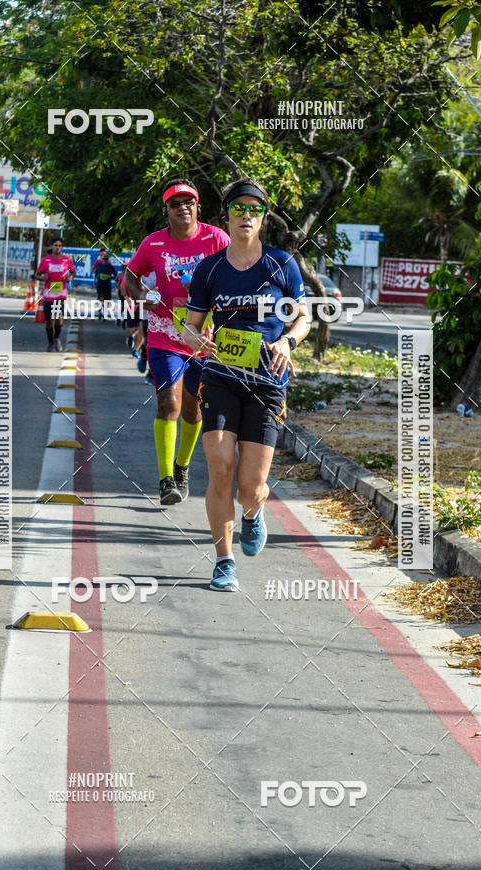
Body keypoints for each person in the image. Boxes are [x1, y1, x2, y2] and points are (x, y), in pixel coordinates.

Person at [184, 177, 311, 591]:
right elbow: (191, 326)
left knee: (250, 487)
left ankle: (254, 515)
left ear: (264, 217)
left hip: (269, 381)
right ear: (226, 215)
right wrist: (196, 338)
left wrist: (287, 342)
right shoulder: (210, 268)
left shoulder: (282, 264)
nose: (246, 215)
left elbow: (304, 317)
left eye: (254, 209)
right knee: (220, 469)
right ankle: (224, 562)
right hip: (220, 376)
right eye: (238, 208)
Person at [125, 178, 230, 505]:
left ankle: (182, 467)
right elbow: (129, 278)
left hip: (206, 337)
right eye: (175, 203)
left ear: (198, 207)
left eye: (189, 202)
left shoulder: (216, 238)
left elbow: (238, 268)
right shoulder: (153, 244)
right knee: (169, 401)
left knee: (193, 408)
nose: (183, 208)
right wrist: (144, 296)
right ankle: (166, 479)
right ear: (166, 210)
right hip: (164, 333)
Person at [36, 238, 76, 351]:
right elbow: (37, 274)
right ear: (52, 246)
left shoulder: (67, 260)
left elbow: (73, 271)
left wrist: (71, 277)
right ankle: (50, 343)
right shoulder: (45, 261)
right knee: (49, 321)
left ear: (62, 247)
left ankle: (57, 338)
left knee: (58, 316)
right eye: (55, 245)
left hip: (61, 293)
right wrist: (42, 278)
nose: (57, 247)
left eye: (59, 245)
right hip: (49, 293)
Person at [93, 250, 117, 315]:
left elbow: (115, 275)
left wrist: (111, 278)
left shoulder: (111, 266)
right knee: (100, 297)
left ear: (108, 259)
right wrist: (96, 278)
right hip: (100, 284)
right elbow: (96, 272)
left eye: (106, 259)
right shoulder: (99, 265)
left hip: (107, 285)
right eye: (104, 259)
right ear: (102, 259)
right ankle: (100, 309)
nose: (105, 260)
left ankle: (105, 311)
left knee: (107, 299)